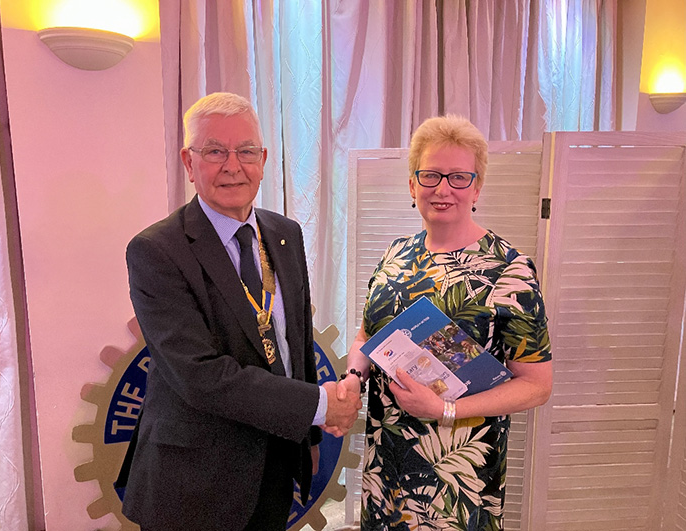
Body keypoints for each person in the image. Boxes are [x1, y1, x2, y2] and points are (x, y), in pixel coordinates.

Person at [121, 92, 361, 531]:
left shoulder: (285, 234)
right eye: (215, 151)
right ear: (189, 162)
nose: (233, 166)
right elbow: (199, 376)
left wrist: (307, 435)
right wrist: (318, 406)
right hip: (192, 484)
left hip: (275, 463)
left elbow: (295, 345)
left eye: (246, 151)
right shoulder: (156, 250)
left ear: (263, 160)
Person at [340, 114, 553, 530]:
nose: (442, 189)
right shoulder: (395, 257)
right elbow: (367, 337)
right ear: (412, 185)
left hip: (457, 479)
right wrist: (352, 378)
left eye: (458, 177)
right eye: (431, 175)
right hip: (387, 464)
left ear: (476, 187)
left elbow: (537, 385)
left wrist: (446, 409)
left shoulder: (509, 271)